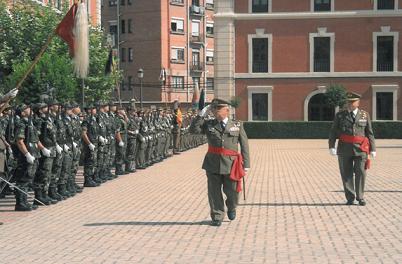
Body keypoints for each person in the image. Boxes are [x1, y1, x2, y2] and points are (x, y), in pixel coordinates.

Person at [190, 99, 250, 226]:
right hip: (213, 163)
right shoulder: (209, 124)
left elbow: (244, 145)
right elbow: (193, 131)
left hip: (231, 164)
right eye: (213, 109)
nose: (215, 111)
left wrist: (246, 164)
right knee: (214, 191)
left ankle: (232, 207)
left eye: (218, 109)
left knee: (233, 191)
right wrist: (200, 115)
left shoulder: (237, 125)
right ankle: (217, 215)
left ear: (227, 111)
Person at [329, 92, 376, 206]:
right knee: (346, 173)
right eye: (348, 102)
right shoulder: (340, 115)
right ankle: (350, 197)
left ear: (358, 103)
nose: (349, 104)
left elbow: (369, 133)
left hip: (361, 149)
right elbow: (334, 131)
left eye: (352, 102)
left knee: (361, 172)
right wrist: (331, 146)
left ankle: (360, 197)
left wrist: (373, 149)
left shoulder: (365, 115)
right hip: (344, 148)